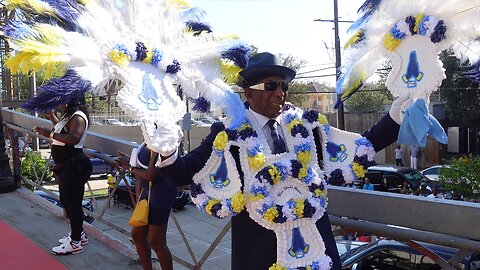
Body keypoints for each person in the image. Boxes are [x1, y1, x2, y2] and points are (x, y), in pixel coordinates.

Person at [157, 52, 404, 270]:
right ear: (248, 93)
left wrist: (396, 117)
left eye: (284, 86)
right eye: (271, 86)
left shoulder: (305, 126)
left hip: (316, 248)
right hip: (260, 253)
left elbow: (360, 148)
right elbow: (183, 173)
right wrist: (165, 147)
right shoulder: (227, 134)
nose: (280, 93)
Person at [33, 97, 92, 255]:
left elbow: (74, 138)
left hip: (74, 166)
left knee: (73, 205)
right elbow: (63, 132)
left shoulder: (78, 116)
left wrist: (49, 134)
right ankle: (79, 235)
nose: (58, 101)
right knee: (66, 201)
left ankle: (75, 243)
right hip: (67, 166)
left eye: (61, 98)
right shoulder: (69, 115)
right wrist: (52, 117)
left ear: (70, 99)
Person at [117, 143, 177, 270]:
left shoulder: (161, 138)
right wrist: (130, 161)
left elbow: (151, 175)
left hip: (160, 192)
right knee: (137, 236)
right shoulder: (149, 136)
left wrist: (130, 168)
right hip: (148, 191)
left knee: (157, 243)